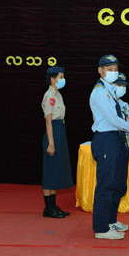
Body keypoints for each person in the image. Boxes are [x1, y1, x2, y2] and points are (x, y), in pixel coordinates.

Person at [89, 55, 129, 240]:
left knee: (117, 185)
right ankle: (101, 228)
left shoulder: (112, 93)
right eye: (109, 69)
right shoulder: (100, 92)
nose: (113, 72)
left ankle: (110, 221)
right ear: (100, 70)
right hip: (107, 139)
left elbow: (128, 115)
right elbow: (114, 120)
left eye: (115, 69)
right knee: (106, 185)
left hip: (117, 141)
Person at [41, 66, 74, 218]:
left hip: (60, 131)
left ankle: (53, 206)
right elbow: (48, 121)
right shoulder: (50, 95)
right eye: (60, 77)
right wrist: (51, 143)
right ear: (53, 79)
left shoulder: (57, 94)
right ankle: (48, 209)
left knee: (55, 171)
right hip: (52, 132)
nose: (62, 79)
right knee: (49, 172)